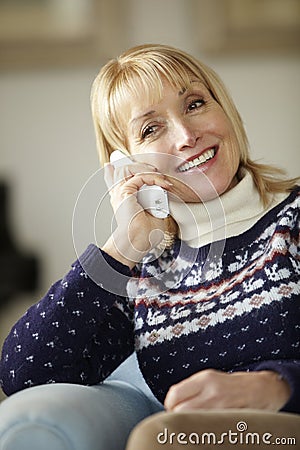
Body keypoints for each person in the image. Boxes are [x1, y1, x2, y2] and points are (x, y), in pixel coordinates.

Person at [0, 44, 299, 450]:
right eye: (151, 129)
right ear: (126, 163)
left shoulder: (292, 220)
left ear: (224, 109)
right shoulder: (149, 274)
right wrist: (125, 245)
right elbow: (26, 371)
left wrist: (275, 386)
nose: (187, 136)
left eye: (195, 103)